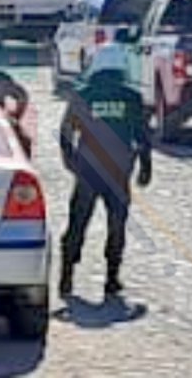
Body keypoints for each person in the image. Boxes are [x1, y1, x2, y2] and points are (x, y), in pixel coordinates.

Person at [58, 45, 152, 298]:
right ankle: (112, 279)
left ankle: (66, 275)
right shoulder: (131, 96)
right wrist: (146, 166)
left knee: (77, 223)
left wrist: (71, 162)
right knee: (117, 225)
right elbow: (142, 135)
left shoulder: (82, 93)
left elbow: (65, 133)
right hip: (118, 172)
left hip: (87, 171)